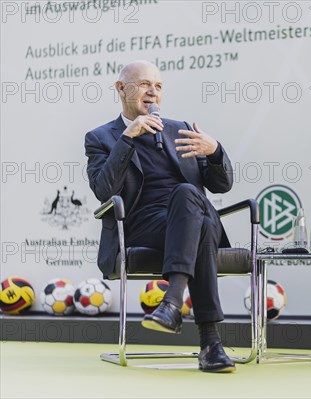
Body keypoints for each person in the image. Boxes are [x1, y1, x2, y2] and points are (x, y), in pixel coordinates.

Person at [85, 60, 236, 373]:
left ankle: (172, 303)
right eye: (143, 84)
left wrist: (216, 151)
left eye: (158, 86)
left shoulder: (179, 130)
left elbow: (222, 185)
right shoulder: (101, 137)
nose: (152, 93)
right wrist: (127, 138)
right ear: (120, 88)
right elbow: (103, 190)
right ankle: (210, 344)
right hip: (143, 226)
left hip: (189, 211)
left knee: (186, 195)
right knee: (205, 226)